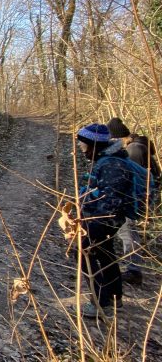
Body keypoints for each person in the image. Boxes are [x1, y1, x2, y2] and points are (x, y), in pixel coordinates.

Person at [76, 123, 134, 318]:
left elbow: (111, 199)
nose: (83, 151)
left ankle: (101, 302)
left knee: (85, 253)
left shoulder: (111, 164)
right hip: (106, 219)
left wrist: (93, 222)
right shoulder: (107, 160)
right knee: (105, 254)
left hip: (104, 219)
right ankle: (114, 297)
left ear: (95, 145)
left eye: (84, 146)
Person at [106, 117, 146, 286]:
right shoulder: (134, 147)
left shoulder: (133, 150)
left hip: (131, 199)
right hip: (132, 198)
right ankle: (132, 267)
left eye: (112, 139)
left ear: (118, 137)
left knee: (127, 232)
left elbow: (134, 177)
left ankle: (134, 270)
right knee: (125, 232)